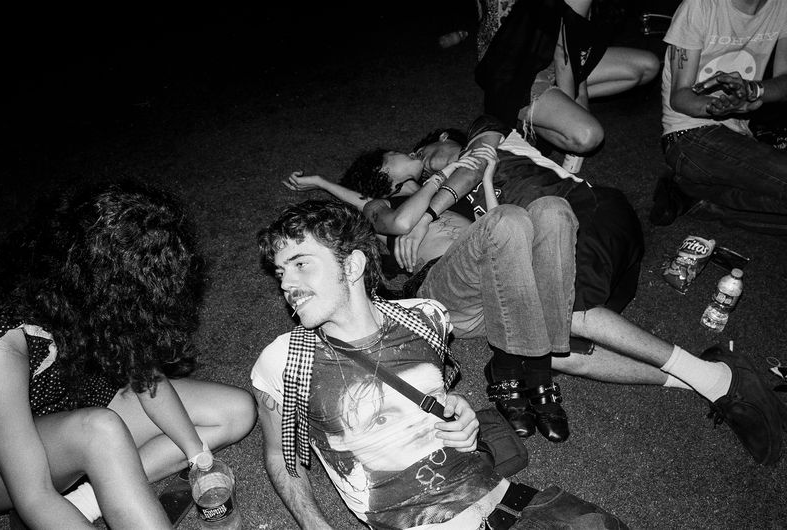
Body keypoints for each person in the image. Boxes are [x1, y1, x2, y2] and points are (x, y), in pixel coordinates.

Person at [283, 123, 787, 466]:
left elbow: (500, 214)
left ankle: (701, 377)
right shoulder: (387, 208)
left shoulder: (467, 174)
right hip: (444, 290)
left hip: (502, 267)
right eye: (401, 164)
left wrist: (476, 174)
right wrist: (328, 182)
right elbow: (382, 210)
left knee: (544, 218)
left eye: (417, 154)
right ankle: (713, 377)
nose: (411, 161)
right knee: (553, 305)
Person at [251, 199, 628, 529]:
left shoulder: (426, 318)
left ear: (352, 267)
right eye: (282, 272)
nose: (287, 284)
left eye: (301, 263)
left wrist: (460, 413)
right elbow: (277, 454)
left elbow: (433, 396)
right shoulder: (283, 361)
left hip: (511, 500)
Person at [0, 182, 257, 527]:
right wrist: (40, 503)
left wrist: (199, 457)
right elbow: (33, 493)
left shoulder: (89, 295)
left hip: (73, 401)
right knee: (99, 430)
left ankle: (87, 496)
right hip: (2, 459)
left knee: (235, 411)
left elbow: (147, 381)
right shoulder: (1, 342)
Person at [649, 0, 787, 233]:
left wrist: (753, 90)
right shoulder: (699, 6)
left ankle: (699, 199)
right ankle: (696, 194)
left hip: (740, 134)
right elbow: (681, 98)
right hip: (688, 136)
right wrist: (722, 105)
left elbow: (784, 81)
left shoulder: (781, 6)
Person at [475, 0, 660, 171]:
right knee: (588, 136)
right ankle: (523, 114)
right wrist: (577, 101)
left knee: (648, 66)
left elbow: (578, 44)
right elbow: (564, 53)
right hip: (518, 68)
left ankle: (550, 109)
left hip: (548, 53)